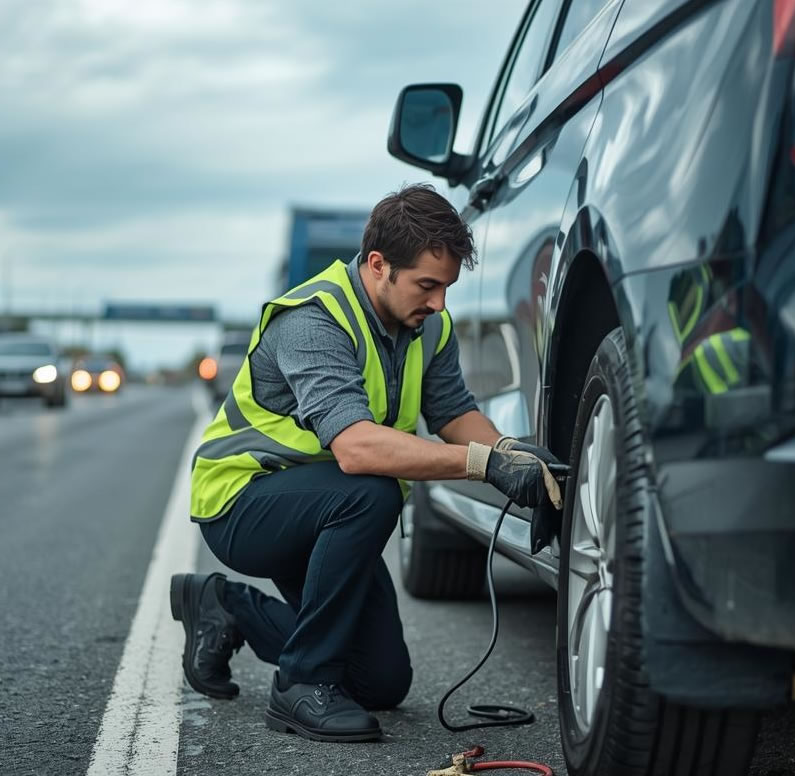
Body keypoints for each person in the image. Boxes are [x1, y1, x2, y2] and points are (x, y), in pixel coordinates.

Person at [169, 184, 562, 743]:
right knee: (372, 489)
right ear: (378, 266)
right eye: (427, 285)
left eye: (447, 287)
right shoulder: (315, 319)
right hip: (244, 504)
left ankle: (225, 607)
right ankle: (300, 685)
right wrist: (482, 466)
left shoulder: (428, 326)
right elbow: (356, 448)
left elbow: (454, 414)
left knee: (381, 680)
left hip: (323, 508)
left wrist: (511, 457)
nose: (439, 304)